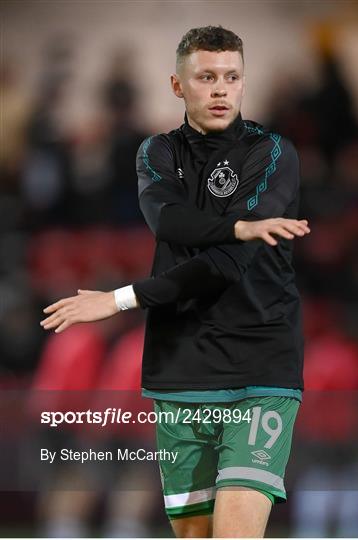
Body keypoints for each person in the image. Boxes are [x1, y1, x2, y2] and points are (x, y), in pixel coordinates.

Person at [41, 25, 310, 538]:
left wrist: (120, 299)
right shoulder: (157, 153)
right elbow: (167, 223)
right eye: (206, 76)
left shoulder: (273, 154)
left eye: (231, 76)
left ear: (244, 83)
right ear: (177, 85)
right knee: (194, 535)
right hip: (182, 367)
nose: (220, 89)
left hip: (261, 365)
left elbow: (227, 266)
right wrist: (237, 224)